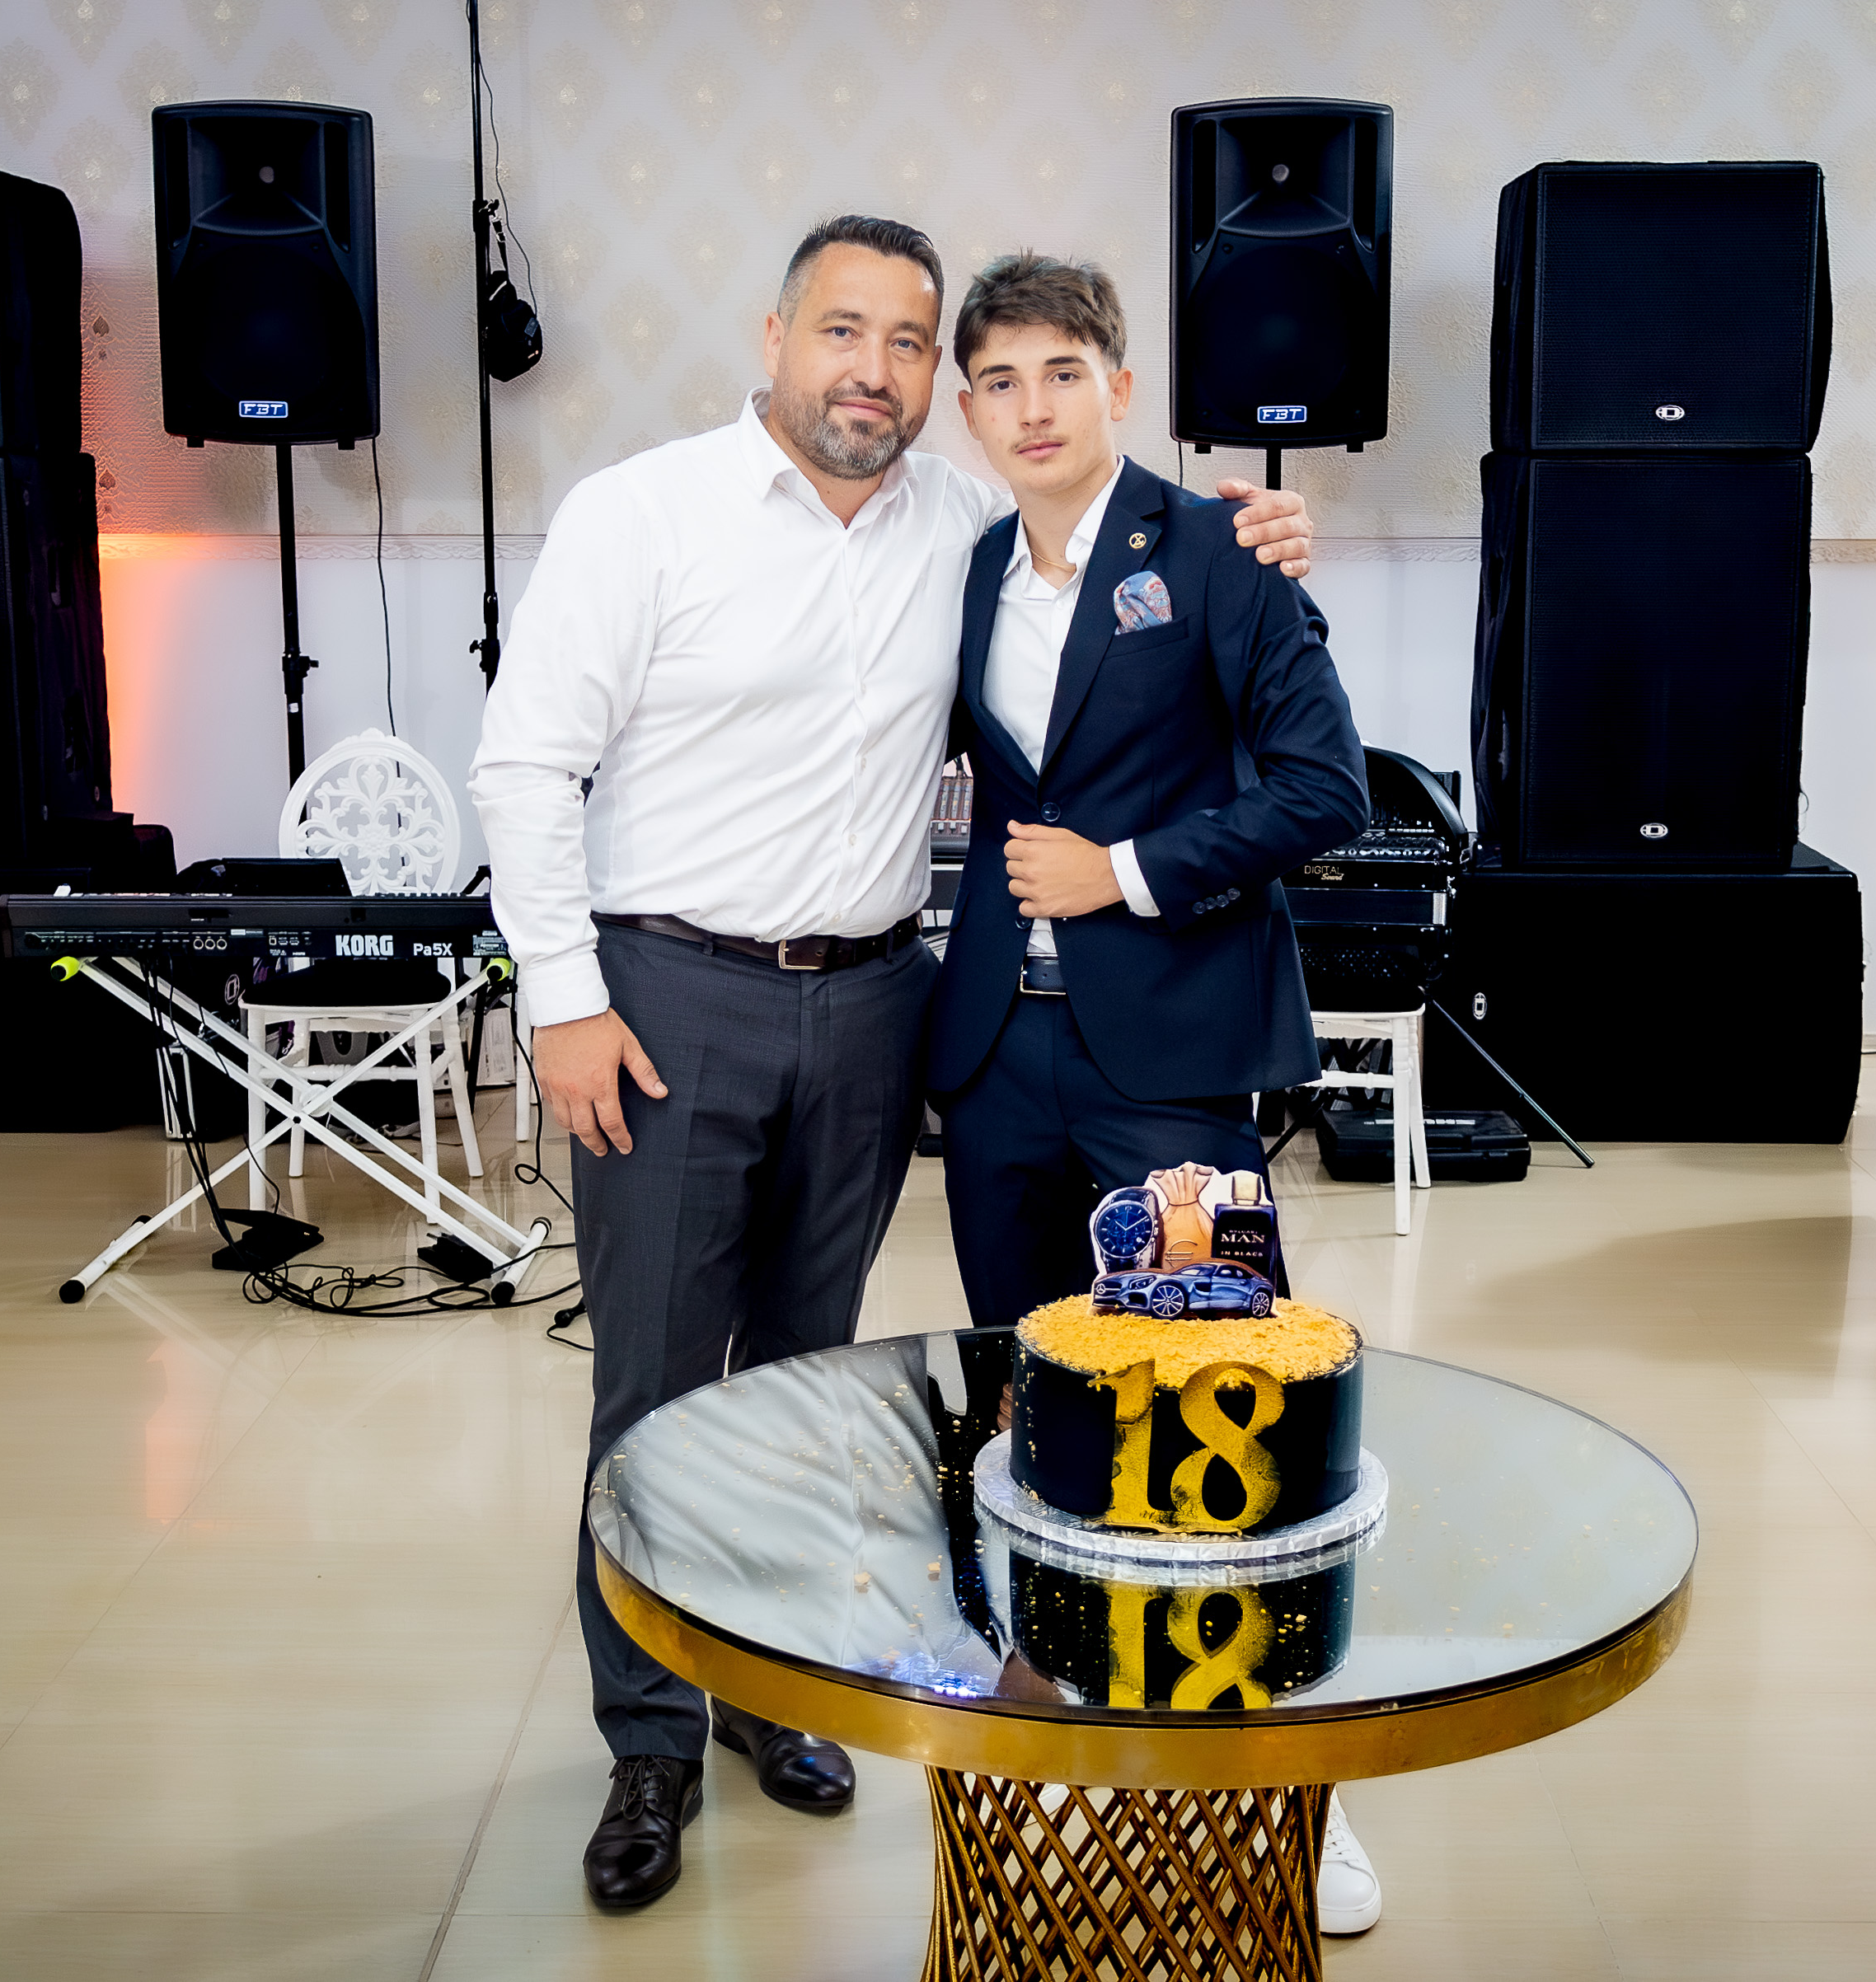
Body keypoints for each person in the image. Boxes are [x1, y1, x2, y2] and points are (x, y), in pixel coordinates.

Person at [467, 214, 1314, 1912]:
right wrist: (560, 997)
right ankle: (649, 1736)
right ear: (774, 336)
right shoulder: (641, 512)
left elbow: (1127, 571)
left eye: (911, 344)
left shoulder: (962, 527)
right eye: (844, 330)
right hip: (665, 995)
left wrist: (1262, 529)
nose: (876, 370)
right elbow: (523, 765)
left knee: (810, 1381)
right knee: (654, 1388)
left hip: (872, 1007)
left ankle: (769, 1682)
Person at [920, 252, 1383, 1933]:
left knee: (1218, 1413)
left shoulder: (1220, 551)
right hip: (996, 1055)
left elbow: (1325, 786)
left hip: (1170, 1058)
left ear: (1118, 381)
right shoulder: (966, 568)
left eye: (1061, 370)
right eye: (997, 380)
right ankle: (1054, 1715)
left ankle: (1285, 1780)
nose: (1030, 406)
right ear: (968, 410)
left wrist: (1118, 871)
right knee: (1029, 1402)